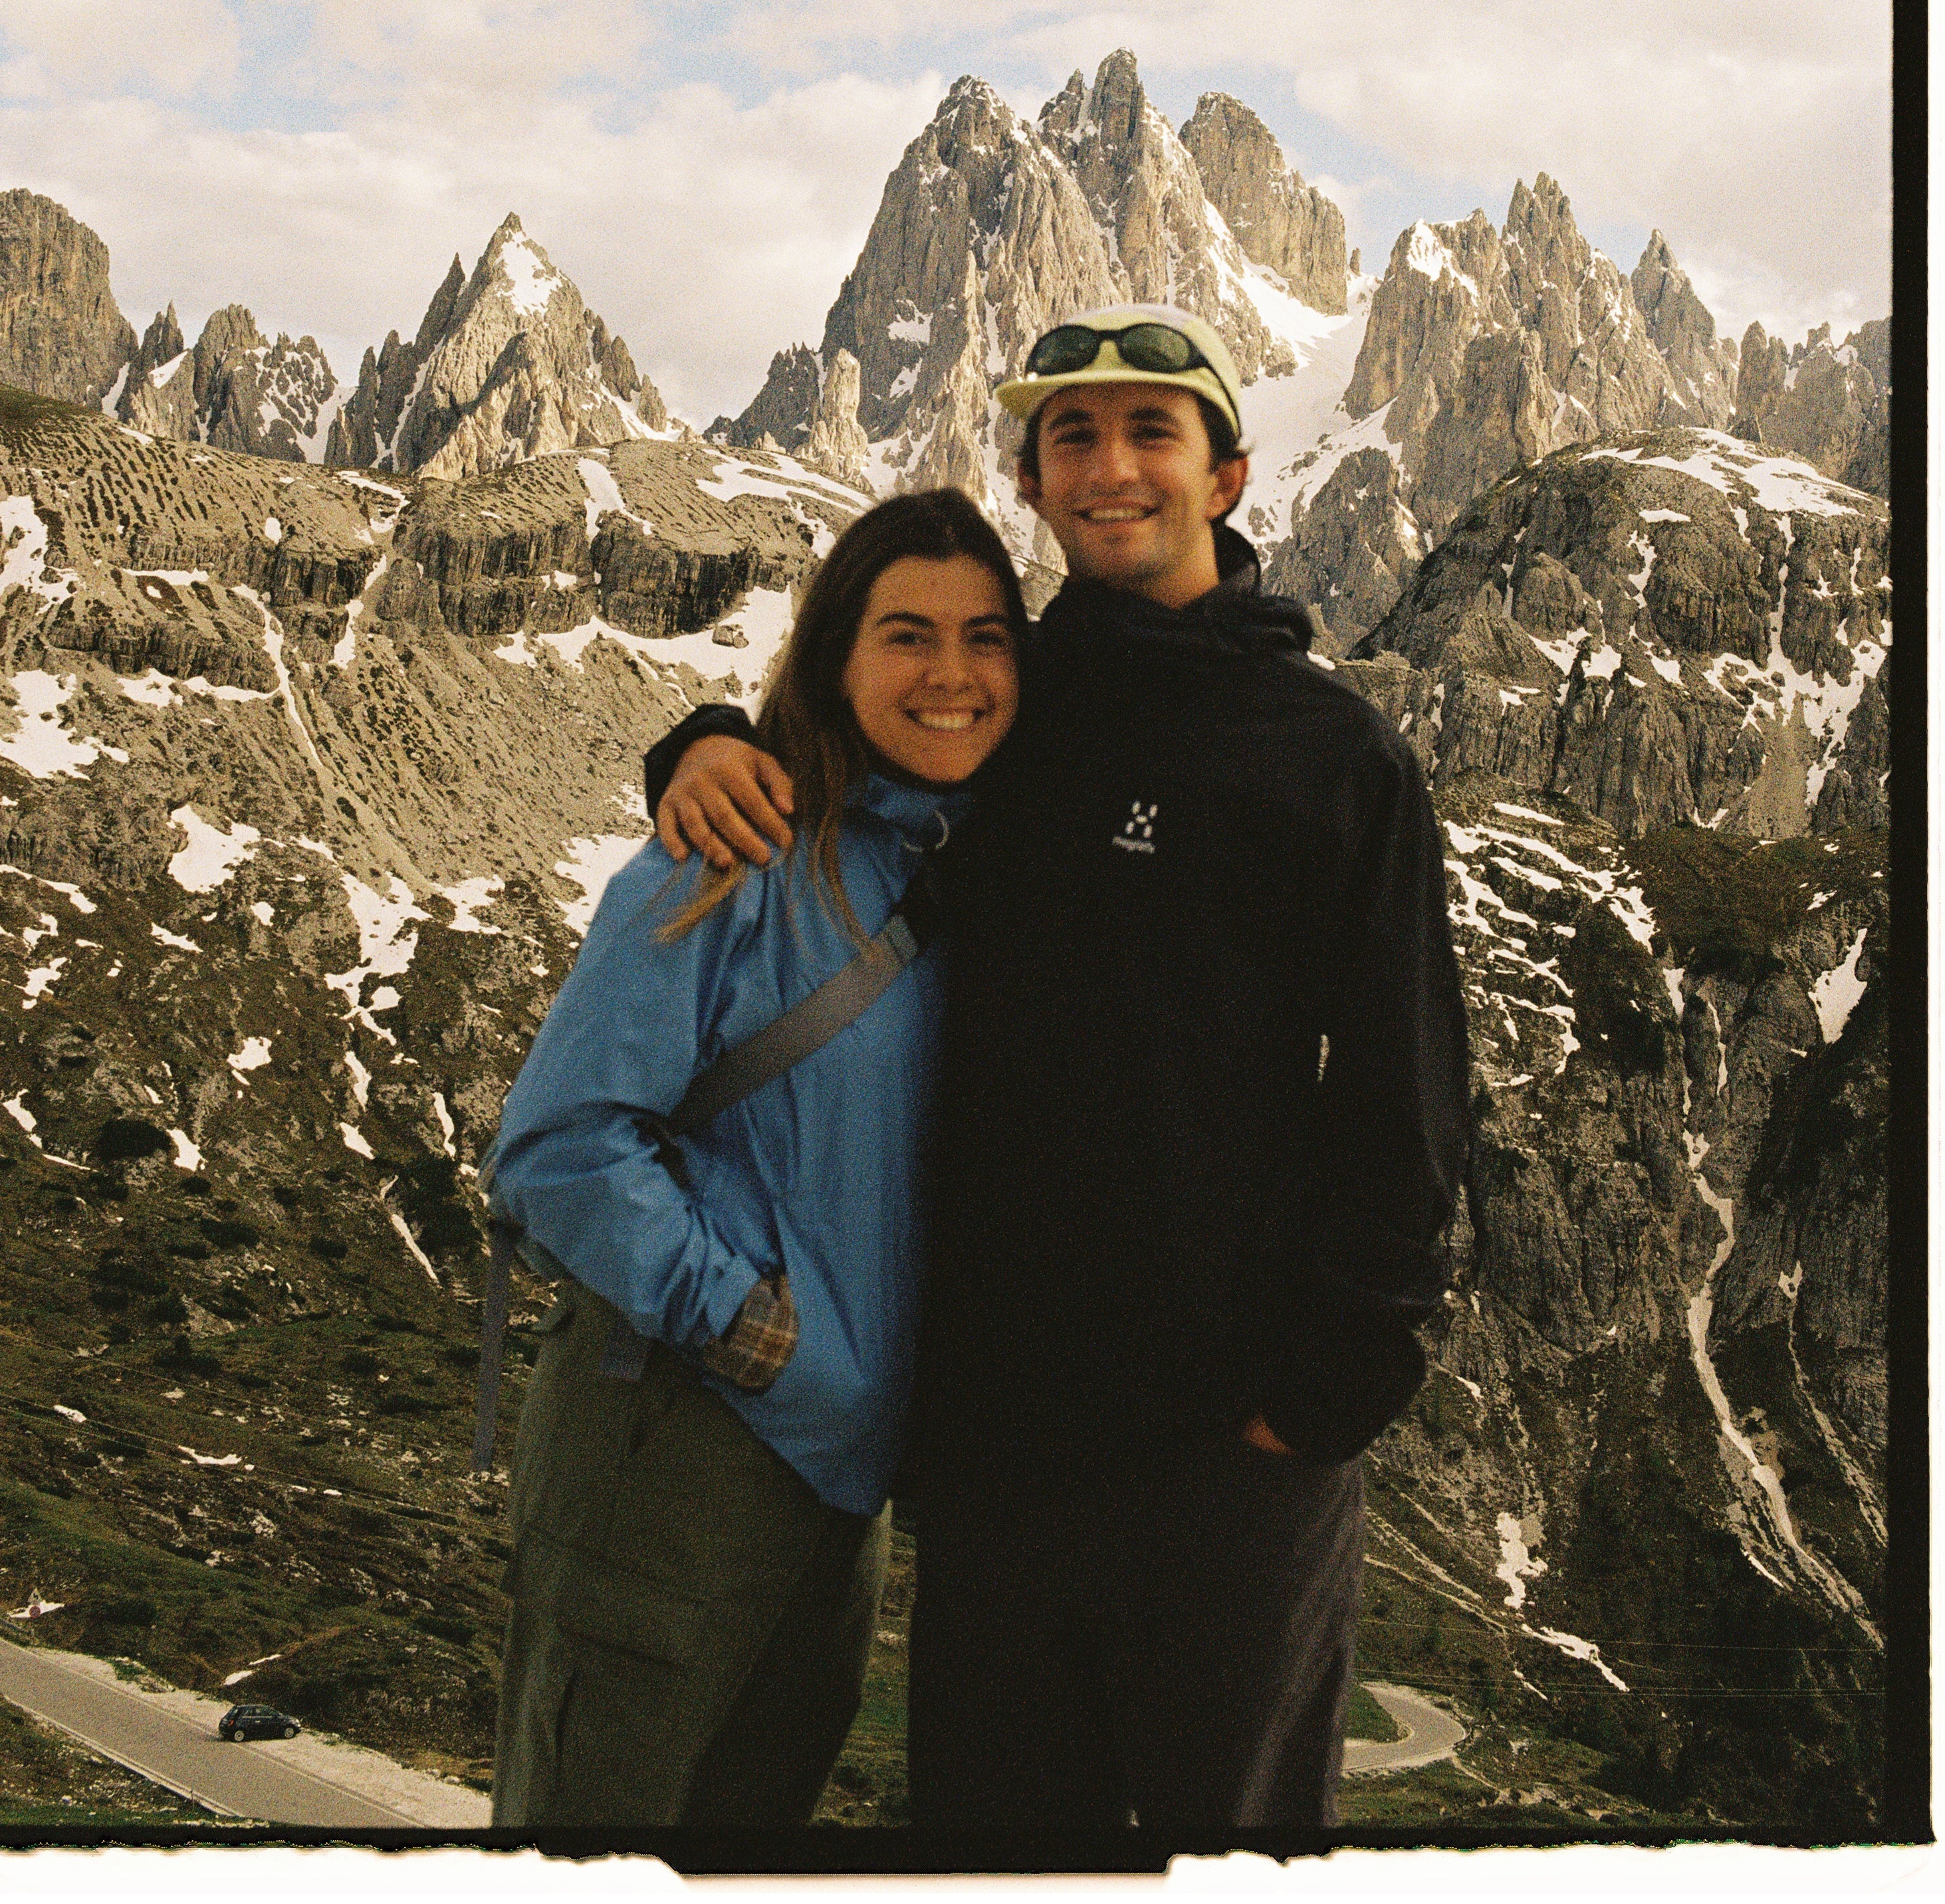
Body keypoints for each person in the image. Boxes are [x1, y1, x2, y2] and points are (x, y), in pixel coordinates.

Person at [649, 306, 1469, 1853]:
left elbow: (1407, 1103)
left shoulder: (1332, 755)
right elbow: (829, 749)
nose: (1110, 468)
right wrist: (696, 742)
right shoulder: (1000, 710)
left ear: (1228, 475)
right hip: (1000, 1462)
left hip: (1229, 1464)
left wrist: (1312, 1408)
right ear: (1030, 481)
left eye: (1152, 432)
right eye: (1071, 437)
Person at [487, 487, 1027, 1833]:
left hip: (841, 1498)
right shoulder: (731, 851)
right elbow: (556, 1146)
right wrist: (751, 1329)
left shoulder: (967, 874)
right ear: (835, 653)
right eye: (907, 634)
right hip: (677, 1453)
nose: (951, 674)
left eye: (987, 637)